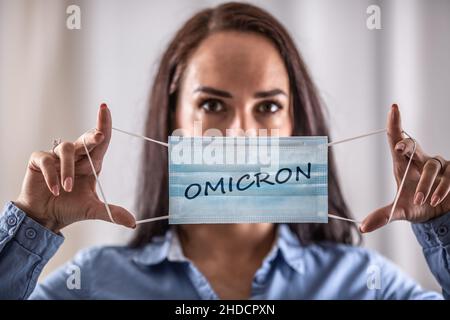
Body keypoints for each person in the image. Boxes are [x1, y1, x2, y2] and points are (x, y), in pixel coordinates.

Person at [1, 2, 449, 299]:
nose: (240, 131)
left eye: (269, 106)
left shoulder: (364, 285)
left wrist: (442, 225)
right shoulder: (95, 283)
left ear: (296, 124)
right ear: (172, 118)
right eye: (212, 104)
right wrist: (31, 224)